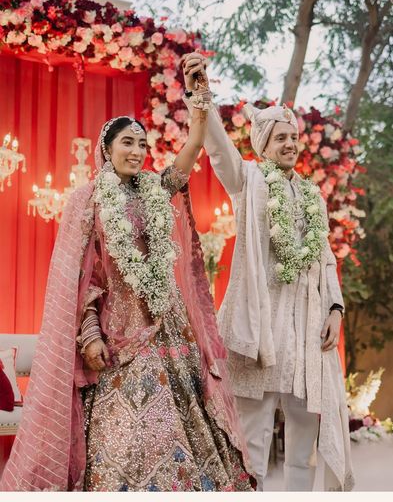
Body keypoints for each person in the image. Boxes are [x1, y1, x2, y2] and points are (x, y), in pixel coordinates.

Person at [0, 56, 254, 492]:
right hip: (118, 332)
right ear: (107, 149)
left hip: (168, 325)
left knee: (186, 426)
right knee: (125, 438)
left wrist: (198, 97)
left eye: (141, 144)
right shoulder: (87, 201)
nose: (137, 151)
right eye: (127, 143)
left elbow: (192, 149)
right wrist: (89, 334)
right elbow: (81, 280)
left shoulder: (157, 189)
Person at [182, 53, 355, 492]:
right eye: (280, 137)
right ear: (262, 145)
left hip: (308, 332)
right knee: (253, 443)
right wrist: (202, 96)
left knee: (304, 444)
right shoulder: (249, 183)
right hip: (261, 333)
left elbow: (325, 259)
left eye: (293, 137)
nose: (290, 144)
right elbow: (218, 149)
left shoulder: (314, 197)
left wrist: (335, 308)